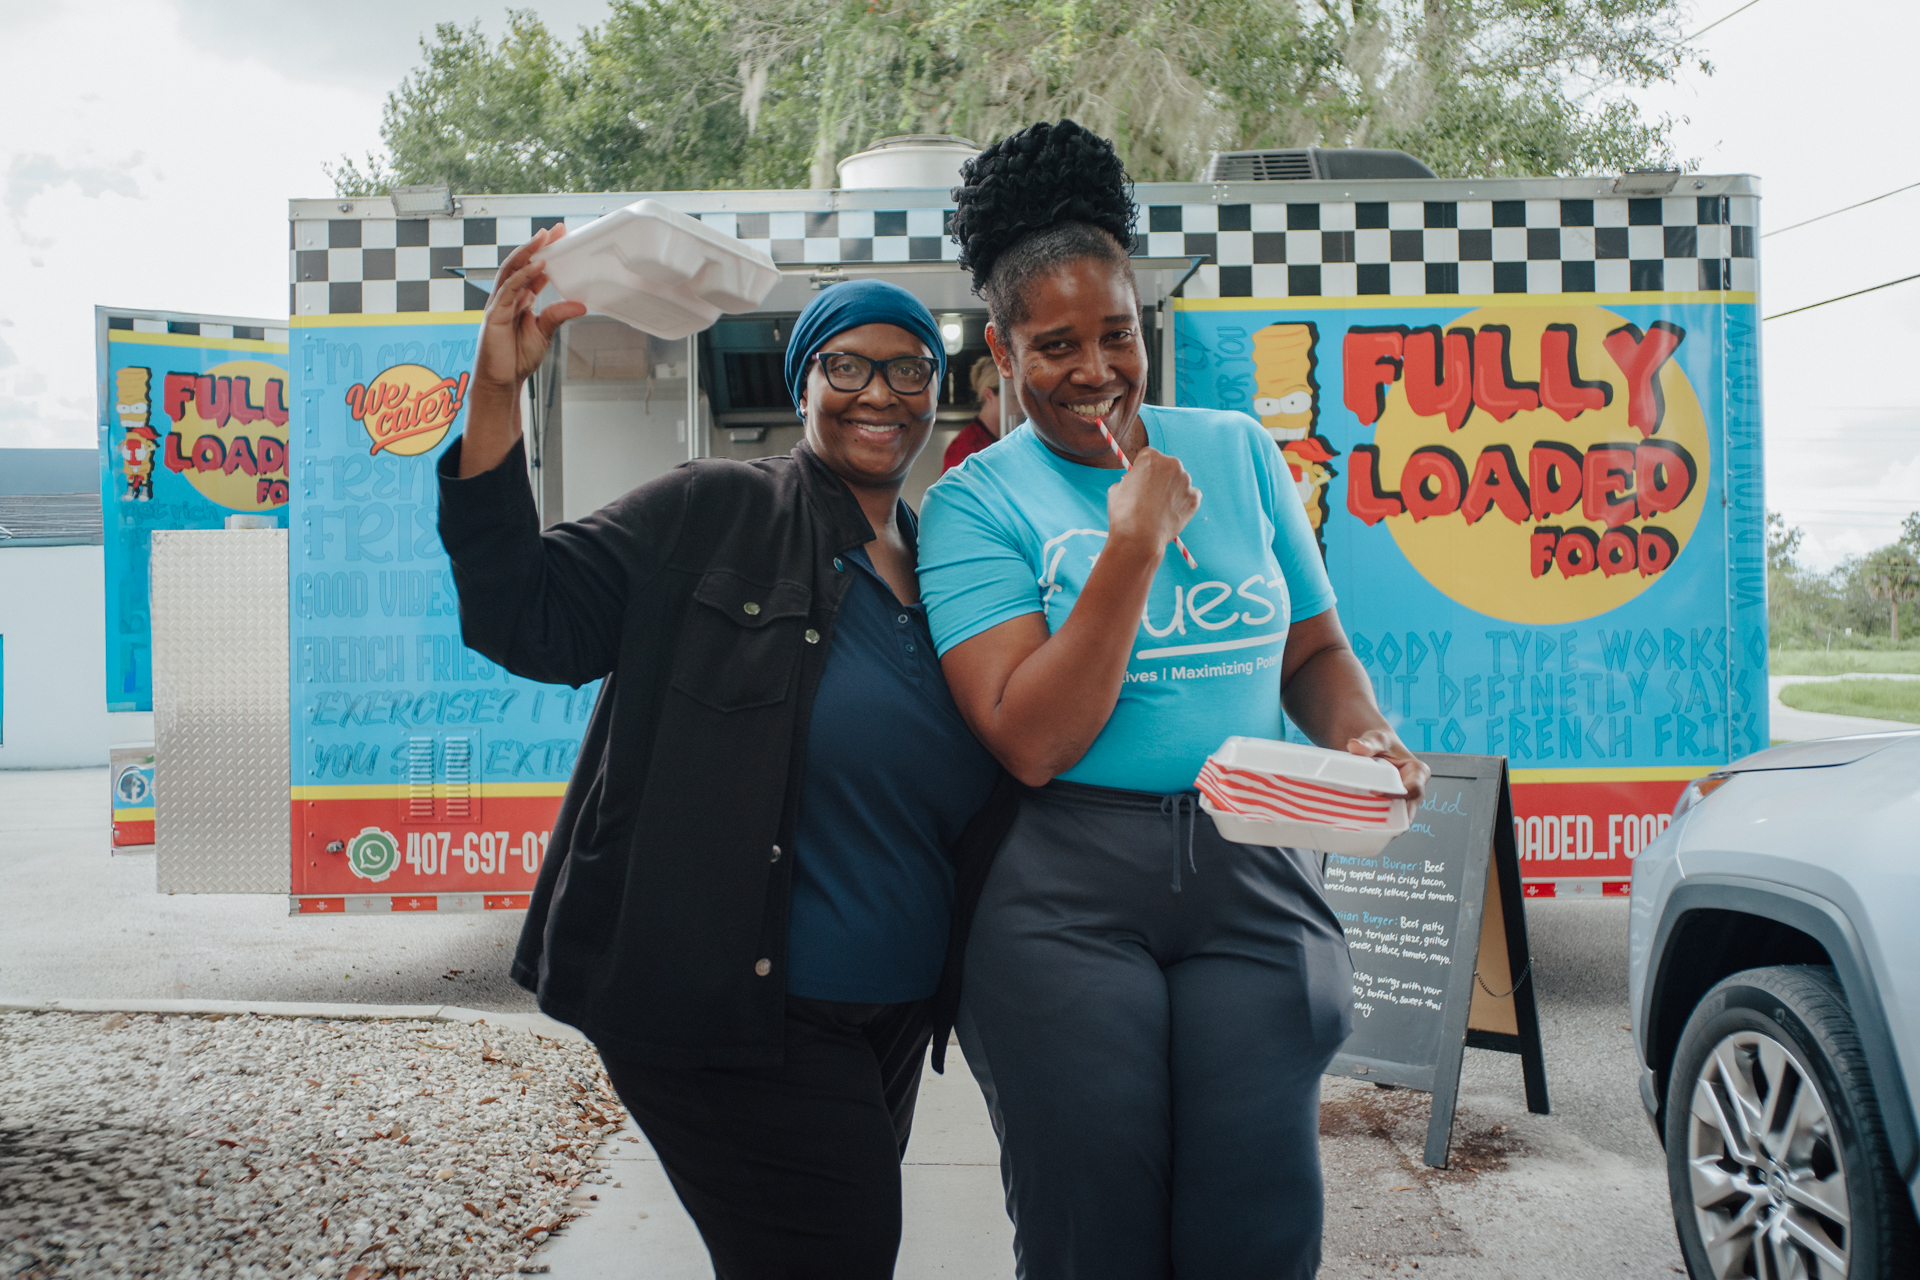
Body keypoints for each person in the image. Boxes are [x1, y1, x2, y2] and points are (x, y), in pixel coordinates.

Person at [438, 235, 1017, 1280]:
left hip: (883, 1022)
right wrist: (494, 391)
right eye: (846, 364)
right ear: (804, 386)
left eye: (909, 367)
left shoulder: (946, 564)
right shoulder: (710, 510)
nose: (879, 391)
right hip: (731, 1011)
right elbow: (521, 613)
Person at [917, 119, 1432, 1280]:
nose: (1096, 369)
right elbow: (1032, 739)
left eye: (1117, 332)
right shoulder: (974, 506)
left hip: (1253, 861)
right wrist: (1132, 546)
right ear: (1002, 349)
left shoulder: (1239, 450)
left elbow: (1312, 651)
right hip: (1060, 891)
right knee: (1091, 1222)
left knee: (1257, 1217)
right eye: (1055, 345)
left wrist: (1360, 729)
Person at [941, 355, 1004, 472]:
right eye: (1013, 398)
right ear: (989, 395)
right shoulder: (964, 447)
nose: (1020, 407)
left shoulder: (1007, 436)